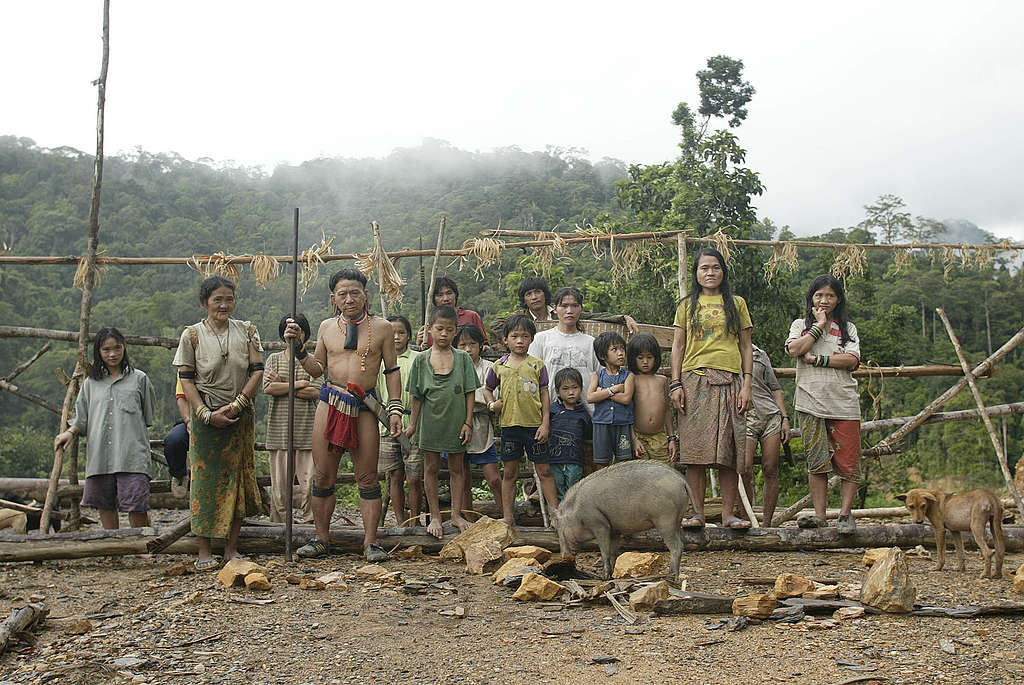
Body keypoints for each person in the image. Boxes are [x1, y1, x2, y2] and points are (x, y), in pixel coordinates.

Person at [285, 268, 403, 561]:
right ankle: (321, 539)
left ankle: (371, 542)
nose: (349, 299)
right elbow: (316, 370)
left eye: (355, 292)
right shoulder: (326, 327)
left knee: (367, 476)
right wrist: (298, 348)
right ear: (333, 298)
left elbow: (392, 371)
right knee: (323, 475)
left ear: (366, 295)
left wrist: (396, 408)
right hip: (331, 401)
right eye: (342, 294)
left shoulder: (383, 328)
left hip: (365, 405)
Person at [172, 276, 264, 569]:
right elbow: (186, 379)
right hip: (205, 417)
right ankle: (203, 551)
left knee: (237, 479)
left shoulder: (247, 331)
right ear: (205, 303)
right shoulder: (192, 335)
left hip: (240, 414)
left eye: (229, 299)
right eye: (217, 300)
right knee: (205, 484)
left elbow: (256, 371)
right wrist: (204, 414)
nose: (223, 305)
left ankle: (231, 549)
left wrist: (238, 405)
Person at [670, 247, 754, 531]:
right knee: (695, 453)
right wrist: (676, 383)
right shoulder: (686, 305)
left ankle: (729, 514)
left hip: (731, 381)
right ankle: (697, 514)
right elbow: (678, 346)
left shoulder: (737, 303)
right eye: (704, 268)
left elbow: (745, 346)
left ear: (723, 271)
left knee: (728, 452)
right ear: (696, 273)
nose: (710, 272)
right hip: (694, 380)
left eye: (715, 267)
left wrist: (747, 384)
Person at [55, 327, 156, 530]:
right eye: (106, 349)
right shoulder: (91, 383)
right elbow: (81, 418)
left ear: (124, 348)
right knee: (104, 502)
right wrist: (69, 432)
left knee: (136, 502)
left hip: (131, 453)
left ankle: (139, 546)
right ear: (98, 352)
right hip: (100, 454)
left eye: (117, 348)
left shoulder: (139, 379)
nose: (112, 354)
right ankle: (113, 542)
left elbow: (147, 416)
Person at [785, 275, 861, 533]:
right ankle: (820, 515)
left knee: (849, 461)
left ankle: (845, 515)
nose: (824, 300)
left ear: (838, 299)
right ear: (811, 298)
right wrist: (819, 325)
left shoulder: (848, 328)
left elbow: (851, 360)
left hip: (844, 402)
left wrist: (818, 359)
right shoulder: (799, 325)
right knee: (816, 461)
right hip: (810, 401)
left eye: (830, 296)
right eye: (819, 295)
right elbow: (795, 349)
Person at [406, 306, 479, 538]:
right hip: (430, 422)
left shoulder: (463, 358)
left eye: (449, 330)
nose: (444, 334)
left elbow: (470, 392)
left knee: (457, 469)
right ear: (429, 329)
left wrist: (468, 423)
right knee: (431, 468)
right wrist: (413, 424)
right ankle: (436, 516)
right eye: (439, 329)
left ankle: (456, 514)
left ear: (456, 331)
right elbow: (416, 396)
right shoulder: (421, 360)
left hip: (456, 422)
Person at [484, 314, 554, 524]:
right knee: (510, 473)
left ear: (532, 339)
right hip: (510, 426)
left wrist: (545, 423)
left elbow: (544, 394)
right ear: (505, 339)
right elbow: (488, 389)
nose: (520, 341)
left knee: (544, 470)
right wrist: (492, 404)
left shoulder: (537, 365)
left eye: (525, 336)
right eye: (515, 336)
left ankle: (556, 514)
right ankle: (508, 517)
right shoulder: (499, 365)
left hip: (534, 426)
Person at [262, 314, 322, 524]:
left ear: (305, 335)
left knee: (310, 485)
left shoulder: (313, 361)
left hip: (307, 431)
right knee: (279, 489)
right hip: (279, 432)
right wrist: (298, 384)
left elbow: (315, 392)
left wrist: (284, 384)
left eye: (299, 332)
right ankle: (279, 527)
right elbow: (268, 388)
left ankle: (311, 524)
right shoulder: (274, 359)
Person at [376, 315, 423, 525]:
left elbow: (421, 393)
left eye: (401, 332)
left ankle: (414, 520)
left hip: (414, 425)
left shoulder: (418, 359)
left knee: (414, 478)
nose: (396, 337)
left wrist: (414, 421)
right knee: (394, 475)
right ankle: (401, 521)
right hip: (386, 425)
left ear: (408, 335)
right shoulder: (379, 361)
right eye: (392, 333)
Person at [738, 343, 790, 527]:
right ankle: (746, 520)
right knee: (744, 468)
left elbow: (775, 388)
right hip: (744, 415)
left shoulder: (760, 354)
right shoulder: (725, 351)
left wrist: (784, 417)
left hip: (769, 414)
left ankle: (767, 524)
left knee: (770, 468)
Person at [528, 287, 600, 412]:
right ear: (555, 309)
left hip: (587, 416)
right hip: (550, 414)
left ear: (581, 309)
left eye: (574, 306)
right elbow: (531, 377)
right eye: (564, 306)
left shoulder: (591, 343)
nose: (569, 311)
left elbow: (600, 377)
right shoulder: (541, 340)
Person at [455, 323, 501, 514]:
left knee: (494, 479)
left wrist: (469, 399)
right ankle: (467, 518)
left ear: (480, 345)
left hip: (482, 428)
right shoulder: (452, 367)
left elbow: (494, 396)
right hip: (456, 427)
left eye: (472, 344)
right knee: (462, 478)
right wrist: (479, 398)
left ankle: (506, 515)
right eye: (462, 344)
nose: (467, 349)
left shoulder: (490, 368)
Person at [587, 332, 635, 468]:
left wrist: (602, 392)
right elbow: (590, 397)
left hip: (623, 424)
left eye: (622, 349)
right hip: (601, 424)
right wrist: (613, 390)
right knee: (601, 463)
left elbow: (626, 399)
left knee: (624, 463)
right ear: (603, 356)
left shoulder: (629, 376)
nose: (621, 353)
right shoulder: (596, 376)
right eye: (615, 349)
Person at [627, 333, 677, 465]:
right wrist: (633, 439)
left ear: (656, 358)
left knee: (664, 475)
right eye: (640, 358)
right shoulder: (632, 379)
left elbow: (667, 411)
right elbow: (627, 412)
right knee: (641, 477)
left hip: (660, 438)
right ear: (633, 359)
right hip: (639, 438)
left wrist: (672, 438)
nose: (645, 362)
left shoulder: (662, 380)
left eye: (649, 357)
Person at [546, 368, 592, 501]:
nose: (571, 392)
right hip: (554, 461)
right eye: (565, 389)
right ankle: (559, 519)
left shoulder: (584, 414)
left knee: (573, 493)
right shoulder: (552, 410)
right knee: (558, 492)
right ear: (557, 392)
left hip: (575, 461)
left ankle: (572, 519)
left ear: (581, 389)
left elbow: (588, 438)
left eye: (574, 388)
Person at [417, 276, 489, 346]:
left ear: (455, 295)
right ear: (433, 298)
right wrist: (419, 342)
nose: (446, 299)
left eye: (449, 293)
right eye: (440, 295)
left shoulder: (471, 316)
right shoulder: (430, 322)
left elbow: (484, 343)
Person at [163, 377, 191, 498]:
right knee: (174, 441)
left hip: (221, 417)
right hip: (191, 419)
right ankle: (179, 474)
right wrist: (188, 421)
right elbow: (181, 398)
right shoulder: (185, 367)